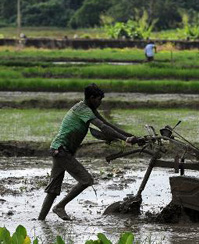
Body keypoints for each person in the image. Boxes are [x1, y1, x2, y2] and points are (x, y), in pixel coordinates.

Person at [38, 83, 138, 221]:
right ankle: (59, 207)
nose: (100, 103)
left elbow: (108, 124)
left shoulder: (88, 108)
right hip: (61, 150)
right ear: (91, 98)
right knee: (86, 180)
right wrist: (125, 139)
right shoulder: (82, 109)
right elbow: (102, 127)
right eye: (99, 100)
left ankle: (40, 221)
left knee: (53, 190)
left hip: (58, 149)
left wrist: (132, 137)